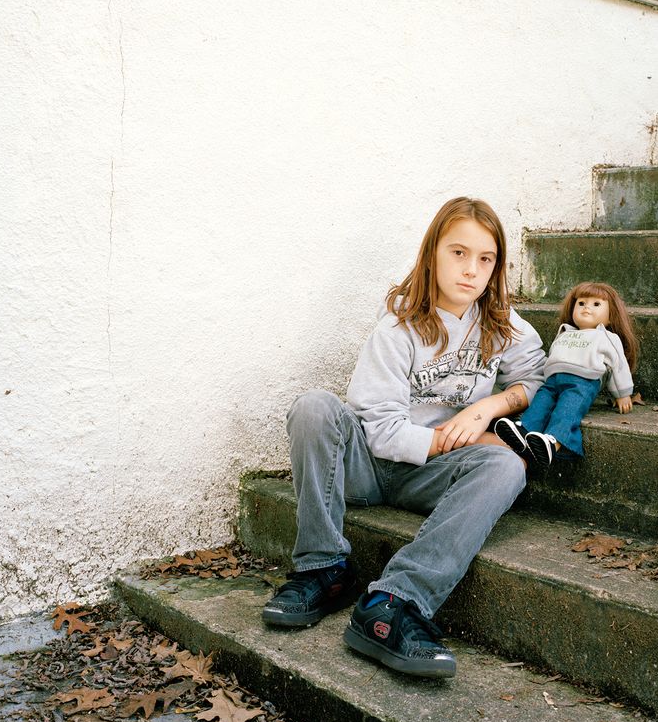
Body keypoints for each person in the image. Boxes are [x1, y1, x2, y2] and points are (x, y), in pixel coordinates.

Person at [261, 196, 546, 679]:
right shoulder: (397, 328)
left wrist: (488, 408)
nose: (471, 270)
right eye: (458, 253)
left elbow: (535, 377)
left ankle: (395, 600)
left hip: (430, 476)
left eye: (485, 258)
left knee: (506, 465)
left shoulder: (500, 324)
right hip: (367, 467)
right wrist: (463, 441)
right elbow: (383, 432)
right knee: (314, 407)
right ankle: (322, 569)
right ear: (432, 253)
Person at [493, 281, 638, 471]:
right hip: (553, 381)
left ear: (611, 316)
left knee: (568, 408)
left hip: (582, 382)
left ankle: (554, 442)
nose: (587, 308)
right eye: (581, 303)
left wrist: (622, 393)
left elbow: (618, 365)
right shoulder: (565, 332)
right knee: (541, 402)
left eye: (596, 304)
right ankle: (525, 429)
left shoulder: (606, 338)